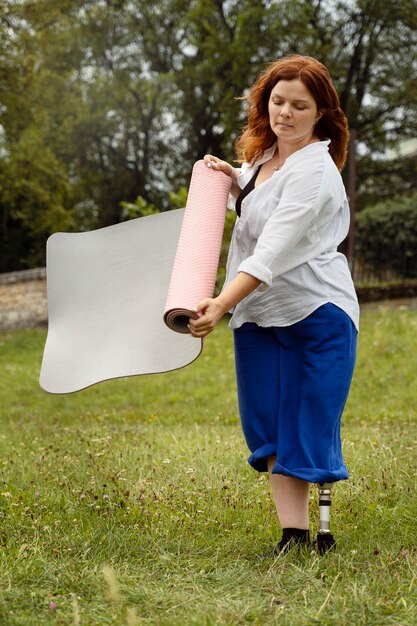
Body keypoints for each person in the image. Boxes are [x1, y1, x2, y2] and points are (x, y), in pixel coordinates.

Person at [188, 54, 359, 554]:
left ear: (321, 113)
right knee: (267, 424)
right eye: (277, 101)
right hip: (260, 315)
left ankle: (309, 537)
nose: (284, 112)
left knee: (305, 420)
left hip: (317, 313)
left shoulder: (315, 171)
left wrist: (218, 305)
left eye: (299, 105)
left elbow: (270, 252)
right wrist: (231, 177)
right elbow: (258, 199)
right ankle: (293, 537)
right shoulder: (265, 160)